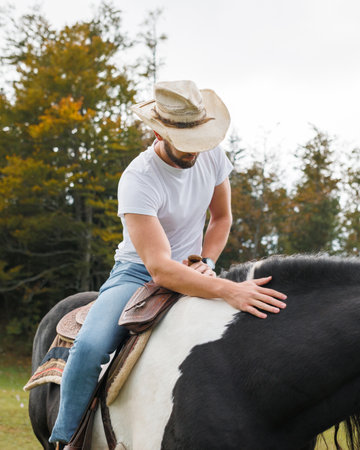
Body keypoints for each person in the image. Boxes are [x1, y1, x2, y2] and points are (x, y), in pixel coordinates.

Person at [49, 80, 287, 446]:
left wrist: (206, 261)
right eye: (186, 142)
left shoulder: (211, 154)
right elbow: (159, 267)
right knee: (91, 346)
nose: (195, 152)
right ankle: (64, 439)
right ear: (159, 132)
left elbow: (221, 218)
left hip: (193, 267)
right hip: (139, 272)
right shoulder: (138, 179)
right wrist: (230, 290)